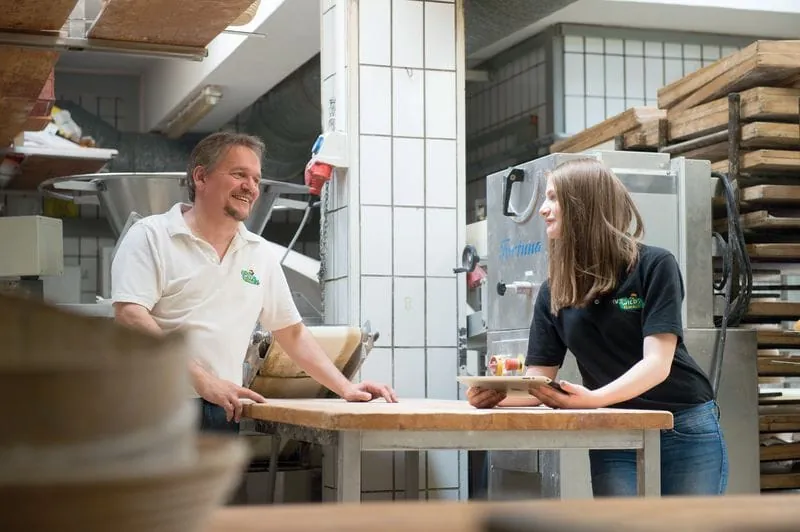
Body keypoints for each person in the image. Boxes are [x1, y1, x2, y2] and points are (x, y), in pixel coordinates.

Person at [466, 158, 728, 497]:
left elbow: (657, 363)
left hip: (683, 424)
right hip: (613, 427)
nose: (543, 209)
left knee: (692, 523)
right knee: (617, 523)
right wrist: (497, 396)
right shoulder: (554, 290)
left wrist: (594, 400)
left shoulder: (654, 265)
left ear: (583, 205)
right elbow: (538, 381)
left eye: (553, 198)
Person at [111, 132, 398, 433]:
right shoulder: (151, 236)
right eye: (239, 175)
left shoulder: (259, 253)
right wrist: (204, 381)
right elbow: (130, 315)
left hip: (222, 408)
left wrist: (345, 387)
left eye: (256, 179)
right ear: (201, 177)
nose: (250, 187)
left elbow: (292, 333)